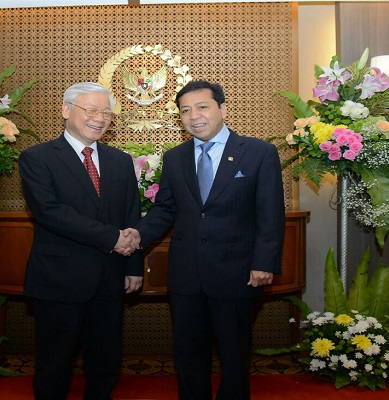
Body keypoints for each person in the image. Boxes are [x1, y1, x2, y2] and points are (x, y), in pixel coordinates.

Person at [127, 80, 286, 399]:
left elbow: (270, 213)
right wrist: (135, 235)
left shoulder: (258, 152)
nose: (193, 116)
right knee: (187, 354)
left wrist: (264, 262)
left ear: (222, 109)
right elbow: (165, 209)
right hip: (186, 275)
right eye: (185, 110)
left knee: (234, 355)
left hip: (239, 273)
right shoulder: (175, 158)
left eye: (202, 107)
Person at [18, 82, 143, 400]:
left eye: (106, 112)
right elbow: (50, 212)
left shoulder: (120, 160)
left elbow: (131, 215)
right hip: (59, 280)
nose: (100, 118)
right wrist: (111, 238)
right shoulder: (37, 158)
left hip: (110, 278)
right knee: (54, 364)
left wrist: (133, 267)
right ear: (66, 110)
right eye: (91, 110)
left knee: (105, 362)